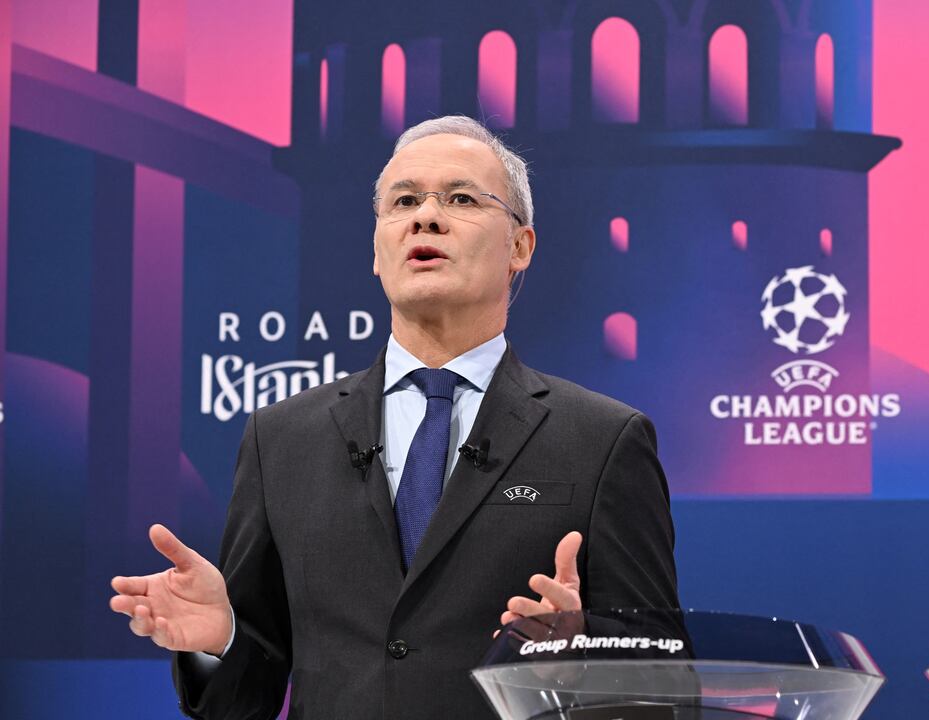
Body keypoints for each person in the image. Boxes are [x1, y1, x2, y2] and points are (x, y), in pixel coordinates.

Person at [108, 115, 680, 719]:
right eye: (404, 200)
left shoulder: (603, 441)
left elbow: (664, 692)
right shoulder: (280, 439)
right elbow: (247, 697)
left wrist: (582, 668)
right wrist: (218, 644)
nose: (425, 217)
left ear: (520, 247)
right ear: (378, 250)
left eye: (460, 198)